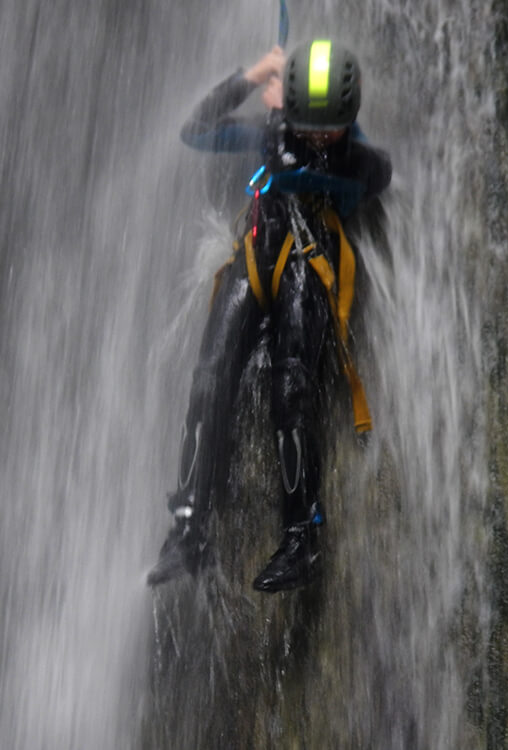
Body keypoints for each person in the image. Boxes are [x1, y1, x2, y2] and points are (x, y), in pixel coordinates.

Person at [147, 39, 392, 592]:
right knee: (210, 379)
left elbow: (377, 173)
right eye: (309, 123)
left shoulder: (359, 158)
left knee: (292, 388)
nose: (318, 137)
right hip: (257, 253)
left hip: (310, 265)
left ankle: (302, 534)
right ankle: (189, 527)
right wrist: (256, 74)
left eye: (332, 126)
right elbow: (195, 128)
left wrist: (345, 132)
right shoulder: (269, 132)